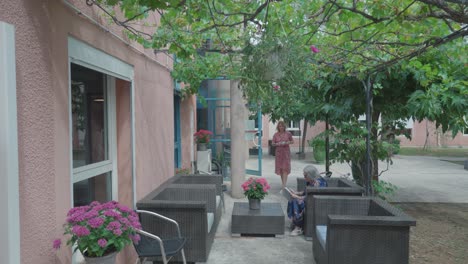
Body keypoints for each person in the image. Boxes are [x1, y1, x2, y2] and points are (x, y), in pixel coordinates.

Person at [287, 165, 328, 236]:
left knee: (296, 201)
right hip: (309, 199)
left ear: (311, 175)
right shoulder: (311, 180)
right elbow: (306, 192)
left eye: (305, 176)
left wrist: (297, 196)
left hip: (317, 203)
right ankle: (295, 221)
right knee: (292, 198)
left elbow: (310, 197)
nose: (304, 177)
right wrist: (296, 193)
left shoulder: (318, 183)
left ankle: (298, 227)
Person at [272, 121, 293, 189]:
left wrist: (287, 142)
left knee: (285, 168)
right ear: (278, 127)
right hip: (278, 153)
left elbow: (292, 141)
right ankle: (283, 184)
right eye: (280, 126)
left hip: (286, 152)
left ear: (284, 127)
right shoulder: (276, 134)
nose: (281, 127)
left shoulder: (288, 134)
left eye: (282, 126)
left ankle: (284, 185)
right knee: (281, 169)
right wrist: (276, 144)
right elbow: (272, 143)